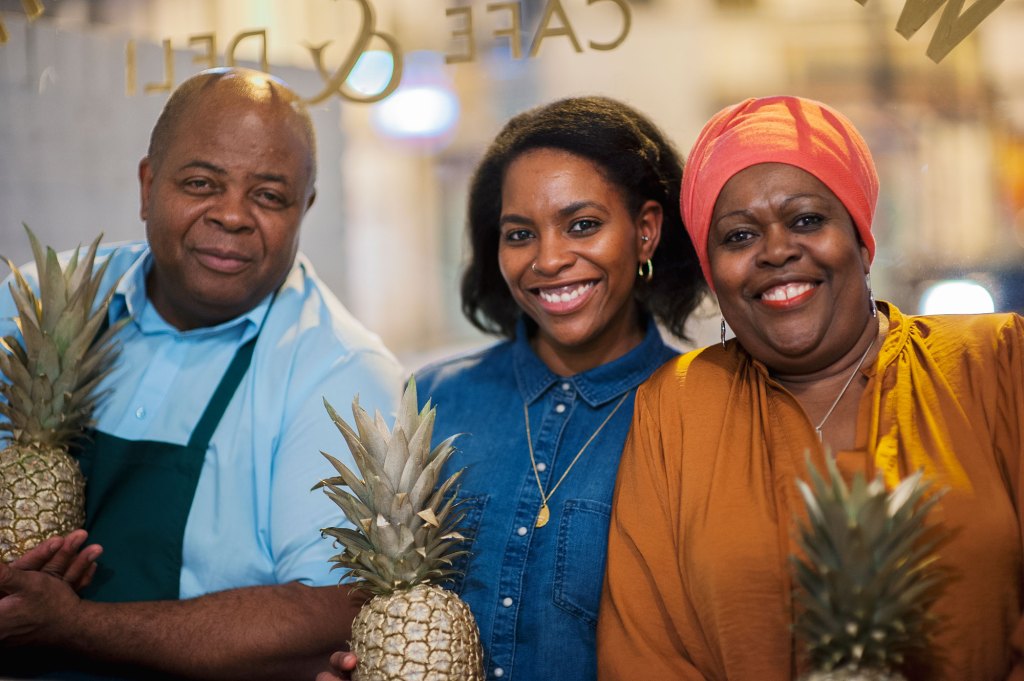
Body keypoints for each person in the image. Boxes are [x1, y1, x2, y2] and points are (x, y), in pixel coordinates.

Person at [597, 95, 1024, 680]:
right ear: (712, 272)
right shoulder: (677, 407)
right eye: (739, 237)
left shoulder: (996, 361)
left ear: (860, 236)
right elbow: (646, 651)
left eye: (806, 220)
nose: (776, 251)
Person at [0, 67, 403, 680]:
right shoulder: (34, 303)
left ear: (305, 210)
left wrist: (75, 625)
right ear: (147, 185)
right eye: (201, 183)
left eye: (269, 196)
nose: (233, 216)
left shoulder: (341, 371)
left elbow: (334, 609)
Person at [320, 96, 706, 680]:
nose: (548, 260)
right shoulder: (436, 400)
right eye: (520, 234)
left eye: (583, 225)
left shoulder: (699, 408)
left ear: (646, 231)